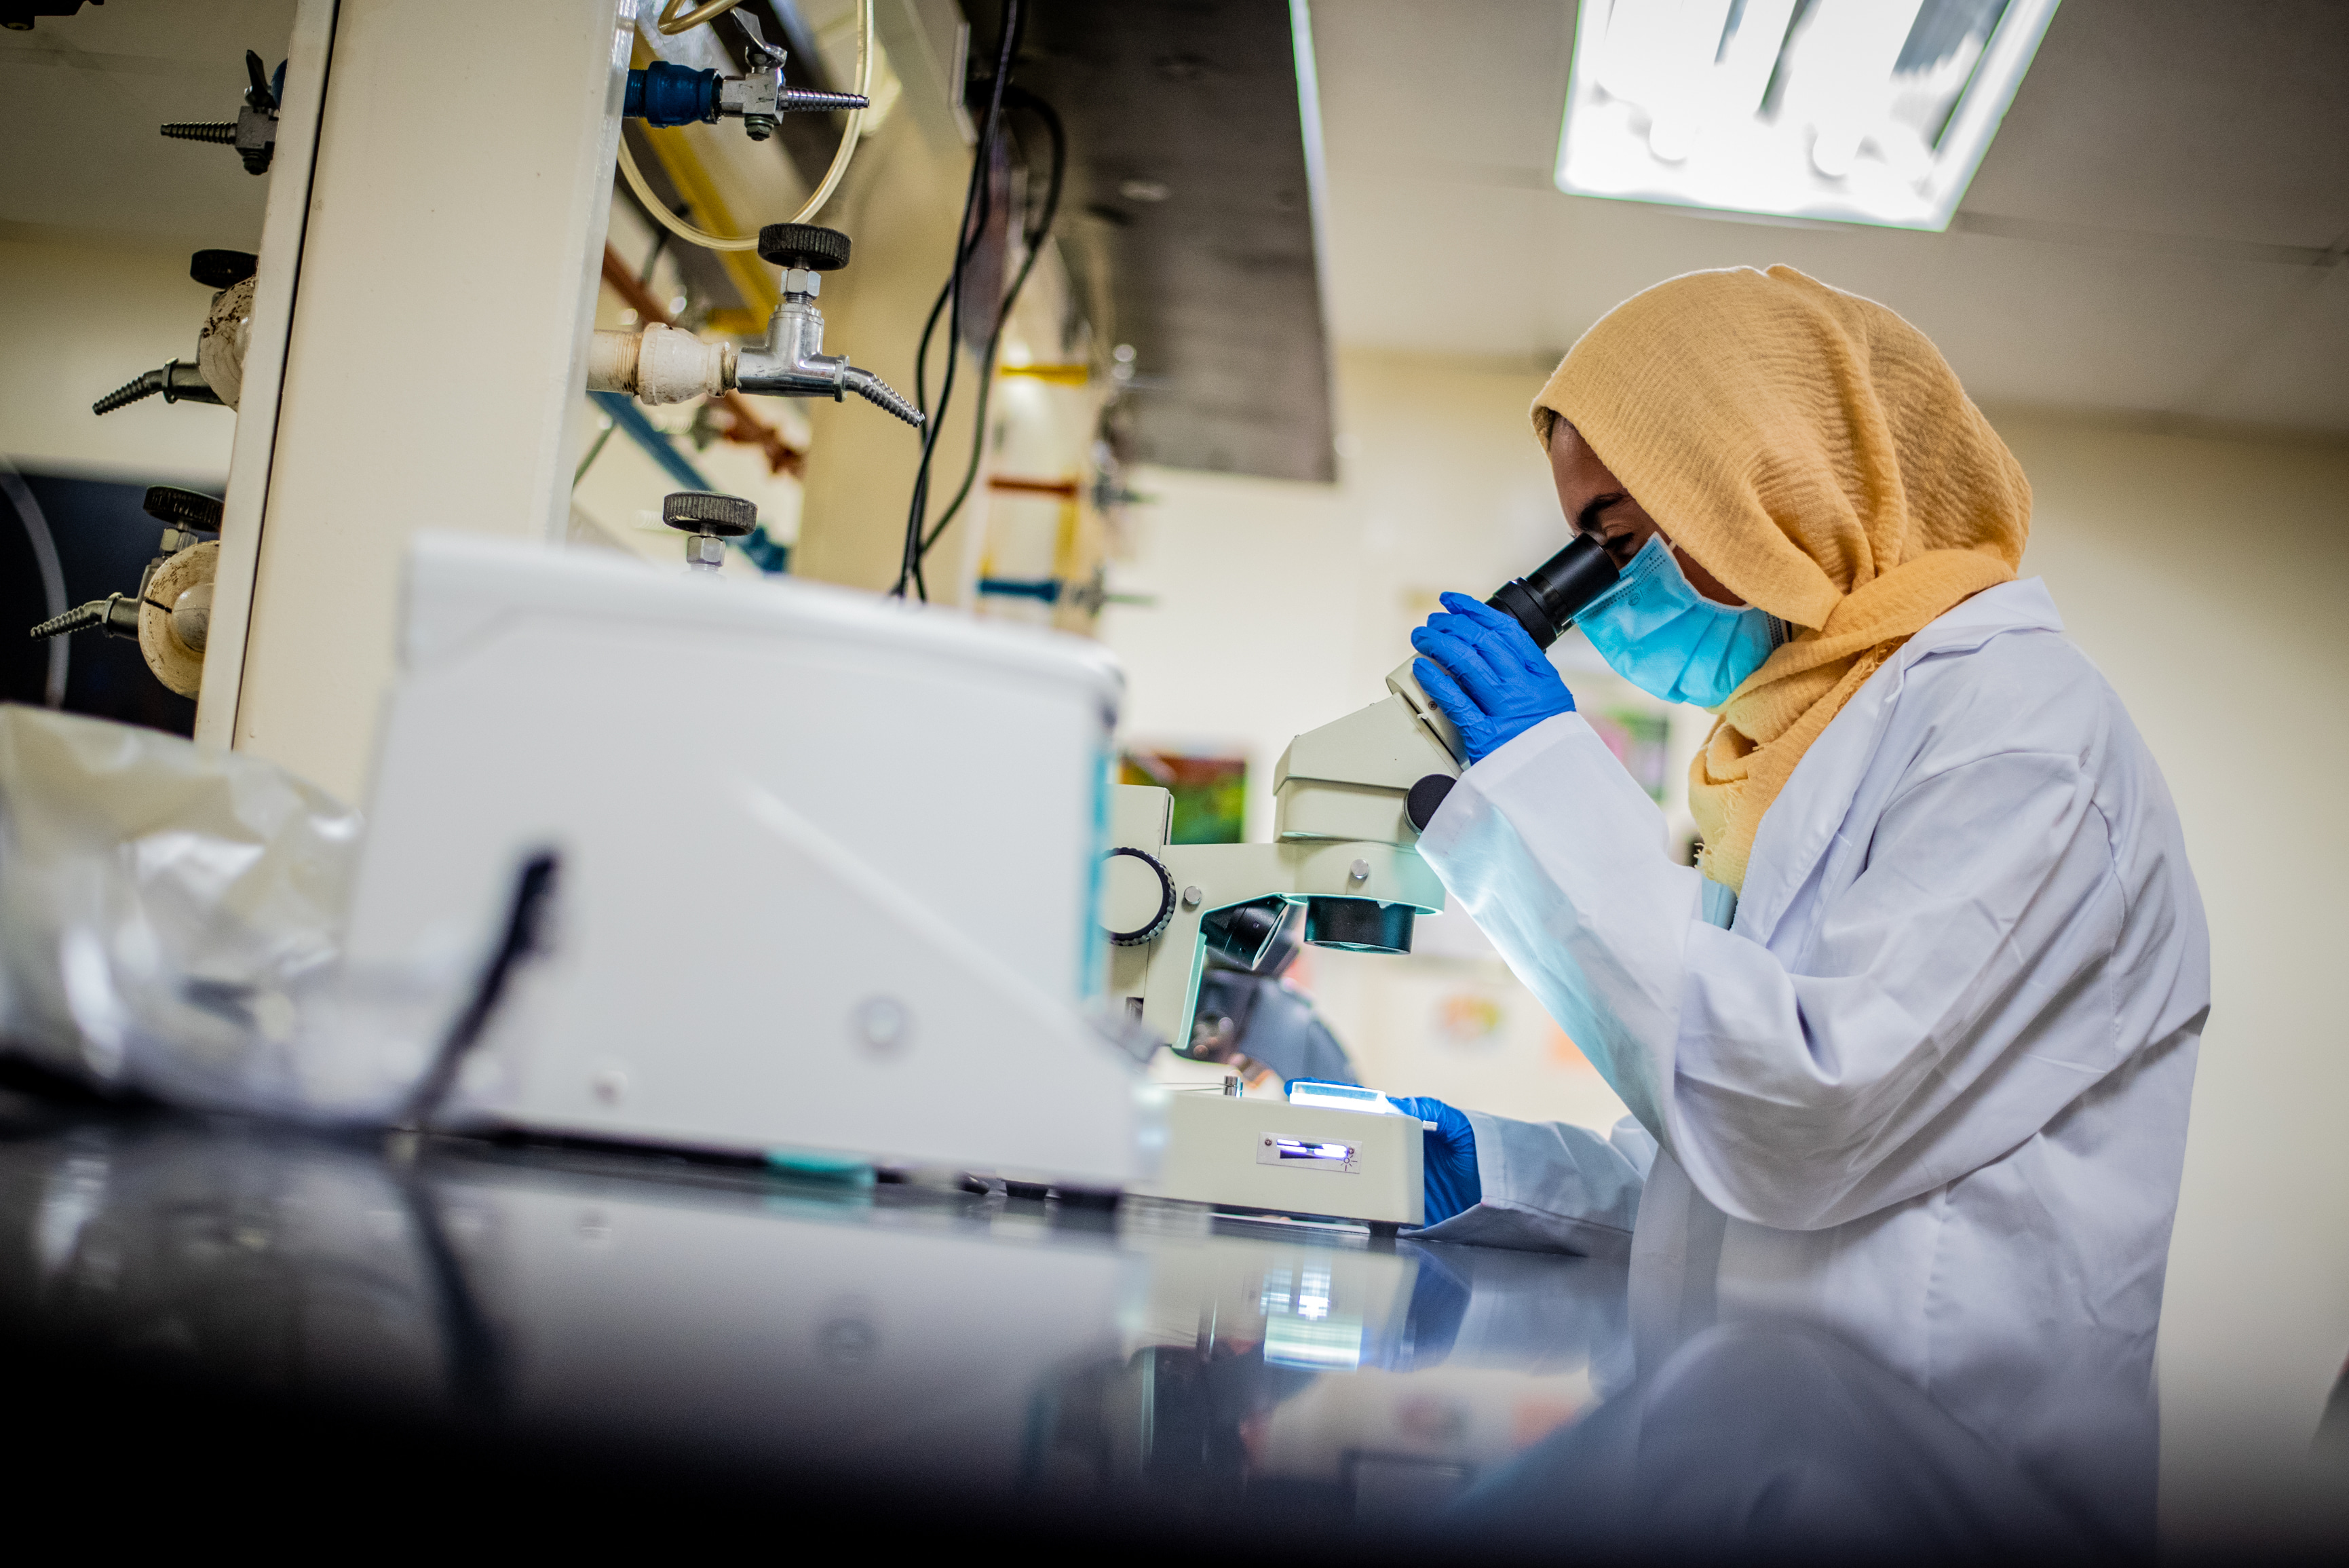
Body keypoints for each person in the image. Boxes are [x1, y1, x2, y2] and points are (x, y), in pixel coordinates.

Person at [1392, 265, 2209, 1548]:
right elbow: (1717, 1182)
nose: (1593, 589)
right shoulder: (1803, 747)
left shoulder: (2018, 732)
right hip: (1767, 1455)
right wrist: (1490, 1172)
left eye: (1613, 534)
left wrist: (1548, 784)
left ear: (1762, 483)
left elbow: (1800, 1113)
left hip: (1937, 1486)